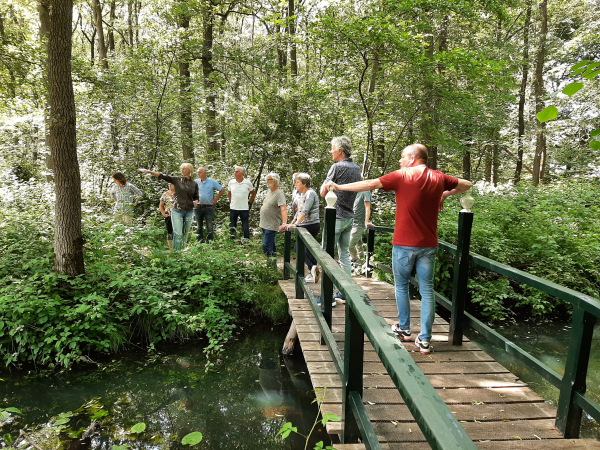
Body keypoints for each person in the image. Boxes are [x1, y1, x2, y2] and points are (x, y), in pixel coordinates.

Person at [323, 143, 472, 354]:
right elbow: (467, 184)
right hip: (428, 244)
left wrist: (339, 186)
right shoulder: (439, 177)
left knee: (402, 287)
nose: (400, 161)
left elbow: (370, 184)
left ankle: (404, 330)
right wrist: (445, 194)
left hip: (403, 244)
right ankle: (425, 340)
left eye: (402, 157)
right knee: (427, 291)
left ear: (412, 158)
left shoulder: (403, 175)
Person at [319, 136, 361, 301]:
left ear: (340, 151)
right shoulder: (357, 169)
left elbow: (323, 192)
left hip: (334, 217)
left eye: (332, 148)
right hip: (349, 217)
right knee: (344, 254)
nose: (331, 151)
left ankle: (326, 297)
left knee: (326, 255)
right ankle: (344, 292)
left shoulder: (336, 167)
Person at [138, 164, 199, 251]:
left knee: (185, 233)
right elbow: (162, 176)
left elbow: (196, 196)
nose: (182, 170)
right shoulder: (177, 180)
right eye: (181, 169)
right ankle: (177, 254)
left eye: (184, 169)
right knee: (178, 233)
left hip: (189, 211)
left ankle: (183, 253)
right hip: (177, 211)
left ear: (190, 170)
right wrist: (149, 172)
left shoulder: (194, 184)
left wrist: (196, 200)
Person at [281, 173, 320, 282]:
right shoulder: (303, 194)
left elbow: (305, 211)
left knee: (298, 248)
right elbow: (298, 212)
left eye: (297, 182)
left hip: (311, 225)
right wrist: (292, 223)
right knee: (307, 249)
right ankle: (313, 271)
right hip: (305, 225)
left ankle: (312, 269)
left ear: (304, 183)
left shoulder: (310, 193)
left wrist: (296, 224)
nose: (295, 184)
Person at [259, 173, 287, 262]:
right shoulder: (270, 191)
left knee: (266, 245)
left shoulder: (279, 193)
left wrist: (284, 223)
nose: (267, 181)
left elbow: (283, 209)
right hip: (264, 224)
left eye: (269, 179)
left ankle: (271, 265)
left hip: (271, 225)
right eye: (267, 179)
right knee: (271, 246)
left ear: (275, 181)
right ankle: (272, 268)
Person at [194, 167, 225, 243]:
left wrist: (216, 199)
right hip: (198, 207)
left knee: (210, 227)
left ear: (204, 173)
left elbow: (222, 189)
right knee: (198, 227)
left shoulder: (211, 181)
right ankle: (199, 244)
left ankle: (210, 244)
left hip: (208, 207)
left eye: (200, 172)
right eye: (197, 172)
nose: (198, 174)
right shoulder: (195, 182)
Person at [228, 166, 256, 240]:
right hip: (233, 208)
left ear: (242, 174)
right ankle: (232, 243)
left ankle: (246, 243)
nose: (235, 173)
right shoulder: (231, 182)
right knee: (232, 227)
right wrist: (231, 201)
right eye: (235, 171)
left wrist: (249, 202)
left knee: (245, 227)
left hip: (244, 208)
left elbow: (253, 193)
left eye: (237, 172)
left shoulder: (247, 183)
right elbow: (229, 193)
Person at [348, 185, 372, 266]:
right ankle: (362, 264)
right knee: (359, 245)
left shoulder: (365, 191)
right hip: (352, 222)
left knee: (349, 245)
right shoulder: (356, 192)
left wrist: (366, 221)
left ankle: (355, 260)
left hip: (359, 224)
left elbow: (367, 207)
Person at [159, 183, 176, 251]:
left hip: (179, 215)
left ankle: (179, 247)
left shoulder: (180, 193)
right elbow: (161, 205)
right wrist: (163, 213)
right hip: (168, 214)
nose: (170, 185)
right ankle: (171, 248)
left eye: (172, 184)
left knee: (178, 231)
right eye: (169, 184)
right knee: (170, 231)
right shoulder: (165, 194)